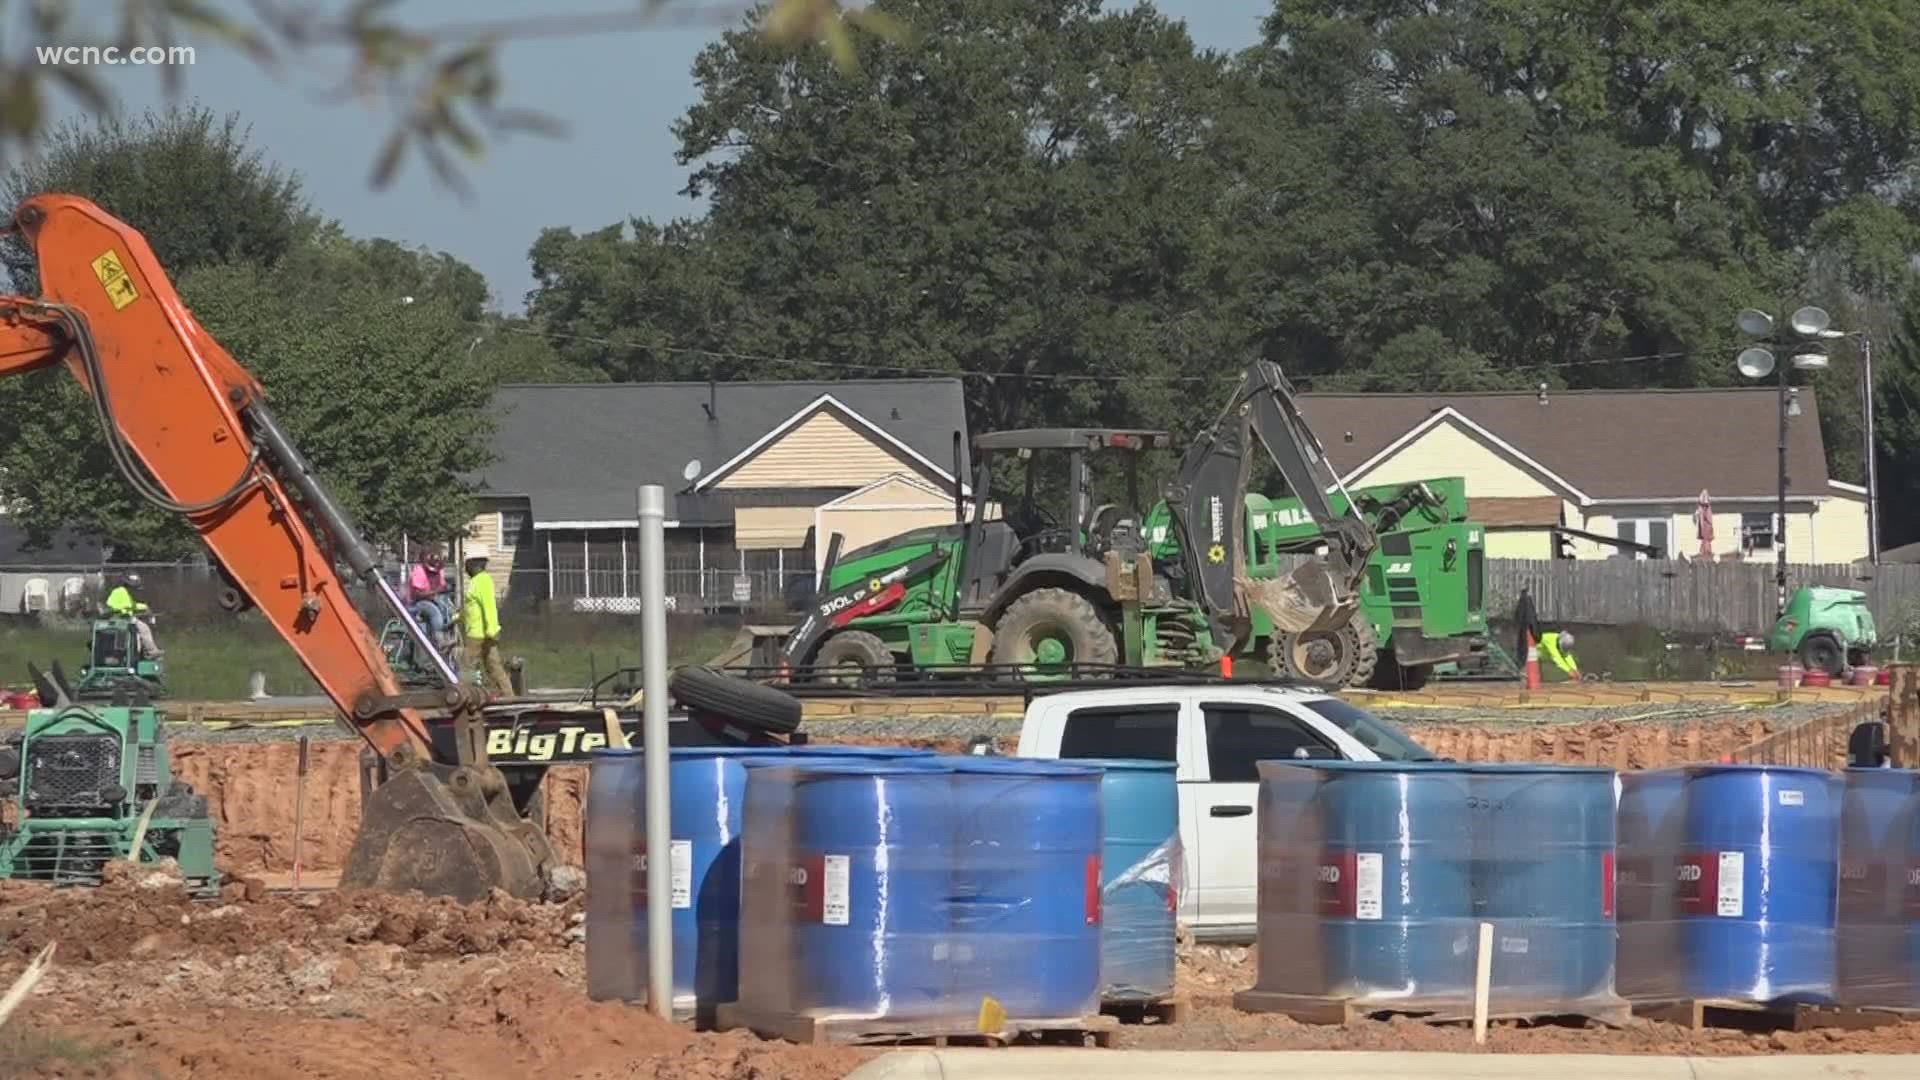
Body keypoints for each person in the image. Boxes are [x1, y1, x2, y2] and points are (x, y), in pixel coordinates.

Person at [461, 543, 514, 697]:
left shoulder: (482, 581)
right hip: (481, 633)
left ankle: (465, 695)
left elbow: (489, 607)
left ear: (474, 564)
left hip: (478, 635)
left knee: (467, 666)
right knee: (493, 665)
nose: (465, 568)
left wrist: (492, 629)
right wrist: (457, 618)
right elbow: (472, 608)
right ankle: (507, 695)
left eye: (467, 564)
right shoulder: (476, 581)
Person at [404, 547, 455, 648]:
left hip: (433, 599)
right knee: (434, 611)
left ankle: (448, 635)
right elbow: (416, 595)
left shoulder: (439, 571)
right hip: (416, 602)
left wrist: (447, 588)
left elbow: (442, 587)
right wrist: (435, 592)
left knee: (448, 610)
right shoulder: (419, 571)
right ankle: (440, 639)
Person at [105, 572, 161, 658]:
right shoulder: (118, 592)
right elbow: (111, 604)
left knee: (138, 632)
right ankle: (151, 650)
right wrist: (123, 610)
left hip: (126, 618)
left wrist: (144, 607)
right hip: (119, 618)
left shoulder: (125, 593)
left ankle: (139, 652)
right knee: (143, 628)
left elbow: (132, 605)